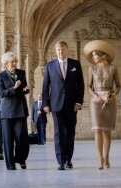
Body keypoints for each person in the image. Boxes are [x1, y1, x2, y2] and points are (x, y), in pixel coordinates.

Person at [42, 41, 84, 170]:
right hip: (55, 104)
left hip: (72, 105)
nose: (61, 52)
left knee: (70, 132)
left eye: (63, 49)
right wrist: (45, 104)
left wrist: (78, 102)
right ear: (56, 51)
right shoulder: (50, 66)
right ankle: (60, 161)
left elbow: (81, 85)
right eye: (59, 50)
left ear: (67, 50)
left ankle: (68, 159)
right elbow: (45, 86)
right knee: (58, 133)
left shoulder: (75, 64)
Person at [83, 40, 121, 169]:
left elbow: (119, 86)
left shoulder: (113, 68)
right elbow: (88, 87)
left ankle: (107, 157)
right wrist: (95, 97)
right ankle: (100, 159)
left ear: (103, 55)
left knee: (107, 130)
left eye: (95, 55)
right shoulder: (91, 68)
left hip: (109, 100)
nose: (93, 57)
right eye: (92, 55)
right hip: (96, 101)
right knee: (97, 130)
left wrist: (113, 96)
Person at [0, 52, 30, 170]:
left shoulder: (21, 73)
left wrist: (26, 89)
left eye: (15, 61)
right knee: (8, 139)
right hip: (7, 111)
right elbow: (1, 93)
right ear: (6, 64)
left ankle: (20, 158)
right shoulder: (0, 76)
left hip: (20, 109)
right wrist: (13, 88)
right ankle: (10, 164)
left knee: (22, 137)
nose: (15, 64)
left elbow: (24, 88)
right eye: (12, 62)